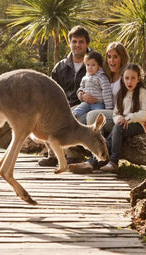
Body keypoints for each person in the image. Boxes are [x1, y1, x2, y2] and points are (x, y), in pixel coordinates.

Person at [69, 63, 146, 173]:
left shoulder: (142, 92)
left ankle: (113, 162)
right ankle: (92, 162)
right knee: (112, 134)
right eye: (127, 78)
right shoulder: (121, 93)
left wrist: (128, 118)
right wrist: (120, 119)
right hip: (122, 124)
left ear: (138, 79)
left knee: (117, 129)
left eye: (133, 78)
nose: (129, 81)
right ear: (122, 79)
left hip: (138, 124)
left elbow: (145, 113)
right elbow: (116, 114)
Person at [38, 25, 91, 167]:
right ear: (69, 43)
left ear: (87, 43)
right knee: (44, 115)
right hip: (63, 105)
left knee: (72, 116)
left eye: (81, 42)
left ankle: (74, 154)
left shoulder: (95, 63)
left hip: (85, 105)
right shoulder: (60, 66)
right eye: (74, 41)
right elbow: (51, 91)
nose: (77, 45)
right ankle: (53, 155)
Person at [73, 51, 112, 124]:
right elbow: (81, 87)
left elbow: (107, 93)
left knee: (95, 117)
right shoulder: (85, 77)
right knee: (78, 110)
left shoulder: (102, 78)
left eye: (93, 65)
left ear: (99, 66)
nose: (90, 67)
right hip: (86, 103)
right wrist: (81, 93)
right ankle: (72, 117)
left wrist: (108, 109)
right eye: (88, 65)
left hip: (98, 104)